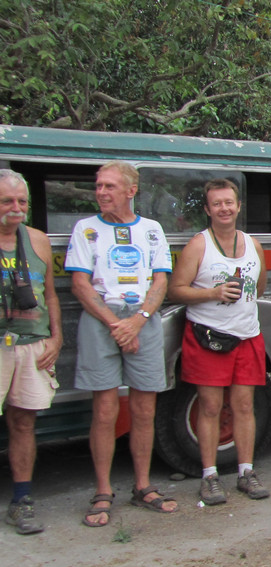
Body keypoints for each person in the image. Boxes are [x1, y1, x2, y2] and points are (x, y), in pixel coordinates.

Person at [65, 161, 178, 527]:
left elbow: (160, 281)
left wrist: (138, 321)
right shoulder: (86, 229)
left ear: (131, 191)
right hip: (103, 319)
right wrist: (117, 325)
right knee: (104, 410)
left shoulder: (151, 230)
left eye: (109, 186)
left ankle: (143, 486)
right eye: (99, 185)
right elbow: (80, 284)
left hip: (142, 319)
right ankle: (103, 490)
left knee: (144, 409)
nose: (101, 192)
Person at [167, 179, 270, 505]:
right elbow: (175, 290)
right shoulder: (199, 246)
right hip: (208, 337)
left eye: (228, 202)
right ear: (208, 210)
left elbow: (260, 288)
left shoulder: (253, 245)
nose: (224, 208)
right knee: (210, 407)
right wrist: (213, 293)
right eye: (217, 204)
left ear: (238, 206)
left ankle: (246, 472)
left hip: (247, 335)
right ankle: (209, 476)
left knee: (244, 406)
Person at [0, 170, 61, 535]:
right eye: (7, 201)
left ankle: (21, 501)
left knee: (24, 422)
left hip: (31, 344)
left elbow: (50, 294)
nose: (16, 208)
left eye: (22, 201)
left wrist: (56, 338)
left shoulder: (37, 240)